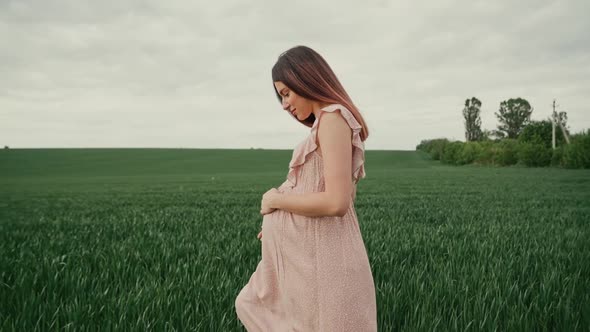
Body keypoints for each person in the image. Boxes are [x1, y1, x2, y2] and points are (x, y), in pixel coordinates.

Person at [235, 45, 377, 331]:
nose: (285, 104)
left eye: (286, 93)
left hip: (327, 266)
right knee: (250, 303)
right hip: (314, 262)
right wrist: (283, 226)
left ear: (306, 77)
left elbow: (338, 202)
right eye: (280, 97)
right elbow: (321, 191)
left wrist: (276, 201)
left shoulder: (333, 118)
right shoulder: (325, 124)